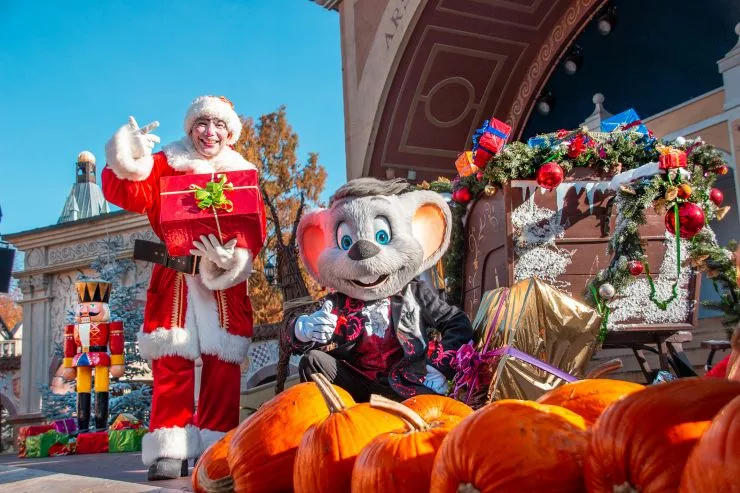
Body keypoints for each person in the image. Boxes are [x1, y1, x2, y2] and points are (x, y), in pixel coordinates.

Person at [102, 96, 263, 480]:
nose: (210, 132)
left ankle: (217, 447)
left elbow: (256, 231)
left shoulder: (243, 173)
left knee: (222, 365)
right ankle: (168, 451)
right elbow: (125, 193)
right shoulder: (167, 163)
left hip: (222, 283)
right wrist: (128, 157)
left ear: (230, 132)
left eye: (219, 125)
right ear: (190, 129)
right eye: (202, 124)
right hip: (173, 277)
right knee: (172, 360)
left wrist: (234, 258)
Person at [285, 178, 473, 402]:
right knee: (313, 360)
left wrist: (439, 367)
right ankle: (340, 424)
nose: (363, 254)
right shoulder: (338, 304)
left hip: (409, 385)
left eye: (381, 237)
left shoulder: (414, 293)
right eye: (346, 242)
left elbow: (457, 323)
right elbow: (288, 334)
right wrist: (302, 328)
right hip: (360, 390)